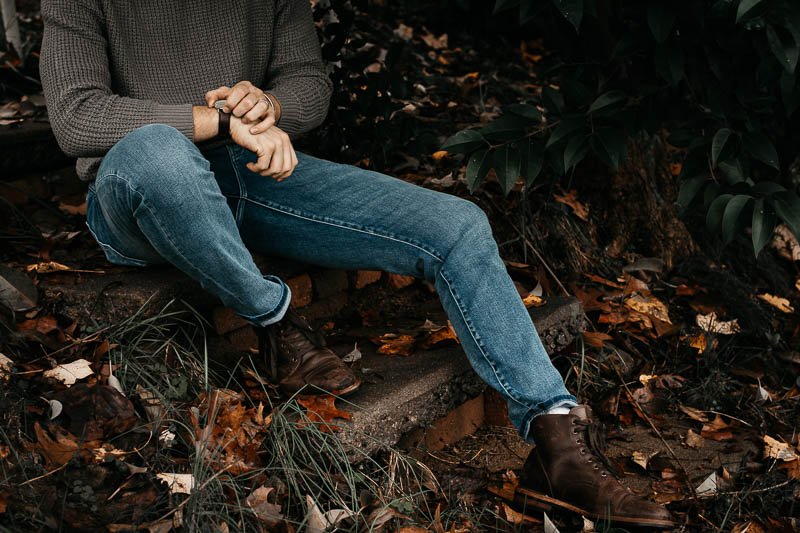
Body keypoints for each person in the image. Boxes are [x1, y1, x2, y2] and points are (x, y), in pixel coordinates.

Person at [39, 0, 675, 528]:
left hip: (252, 174)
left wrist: (269, 108)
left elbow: (310, 85)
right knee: (161, 150)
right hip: (137, 191)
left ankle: (556, 438)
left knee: (457, 225)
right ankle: (276, 321)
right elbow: (75, 116)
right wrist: (216, 120)